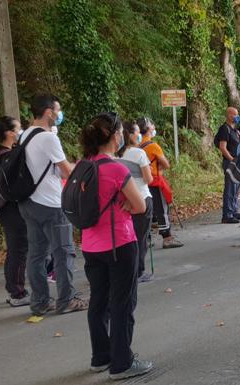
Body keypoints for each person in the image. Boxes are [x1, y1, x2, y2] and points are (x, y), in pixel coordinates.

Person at [80, 112, 153, 380]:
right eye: (121, 131)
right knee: (122, 303)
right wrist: (125, 204)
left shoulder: (82, 166)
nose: (123, 135)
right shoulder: (115, 169)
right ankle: (122, 362)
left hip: (90, 244)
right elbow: (140, 205)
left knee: (98, 301)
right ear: (114, 136)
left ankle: (100, 357)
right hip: (119, 243)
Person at [17, 94, 88, 316]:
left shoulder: (24, 135)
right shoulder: (48, 138)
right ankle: (66, 299)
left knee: (37, 255)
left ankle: (40, 302)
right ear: (49, 112)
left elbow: (46, 168)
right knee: (63, 252)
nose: (59, 114)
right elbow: (67, 171)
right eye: (58, 110)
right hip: (51, 204)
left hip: (28, 203)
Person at [0, 117, 29, 306]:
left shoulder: (0, 155)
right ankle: (17, 293)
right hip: (12, 209)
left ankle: (14, 289)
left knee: (16, 249)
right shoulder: (8, 157)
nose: (21, 132)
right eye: (19, 129)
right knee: (18, 250)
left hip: (6, 210)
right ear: (10, 133)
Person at [137, 117, 183, 248]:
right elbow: (166, 164)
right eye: (152, 125)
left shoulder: (136, 147)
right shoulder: (153, 146)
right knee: (161, 210)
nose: (154, 126)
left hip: (140, 184)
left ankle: (146, 238)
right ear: (147, 129)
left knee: (146, 211)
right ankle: (167, 237)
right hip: (155, 182)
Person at [118, 121, 154, 282]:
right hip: (141, 197)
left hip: (122, 201)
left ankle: (124, 269)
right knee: (140, 237)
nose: (140, 135)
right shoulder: (138, 153)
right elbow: (148, 179)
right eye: (138, 132)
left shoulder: (113, 154)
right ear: (131, 135)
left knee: (124, 237)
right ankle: (138, 271)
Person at [217, 107, 240, 223]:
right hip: (230, 162)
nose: (237, 116)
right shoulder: (224, 129)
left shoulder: (235, 129)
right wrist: (232, 160)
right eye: (235, 114)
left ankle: (234, 210)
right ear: (229, 115)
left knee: (236, 187)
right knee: (230, 188)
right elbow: (222, 147)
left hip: (237, 161)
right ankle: (227, 214)